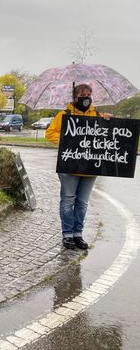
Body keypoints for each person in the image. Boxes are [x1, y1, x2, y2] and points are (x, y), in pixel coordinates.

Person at [45, 83, 111, 250]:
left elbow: (108, 134)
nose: (86, 97)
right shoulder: (64, 115)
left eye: (89, 94)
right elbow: (50, 133)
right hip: (69, 166)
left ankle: (78, 234)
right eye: (83, 94)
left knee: (82, 202)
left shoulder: (96, 115)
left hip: (90, 167)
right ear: (75, 97)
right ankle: (67, 235)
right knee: (68, 200)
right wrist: (65, 139)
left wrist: (109, 121)